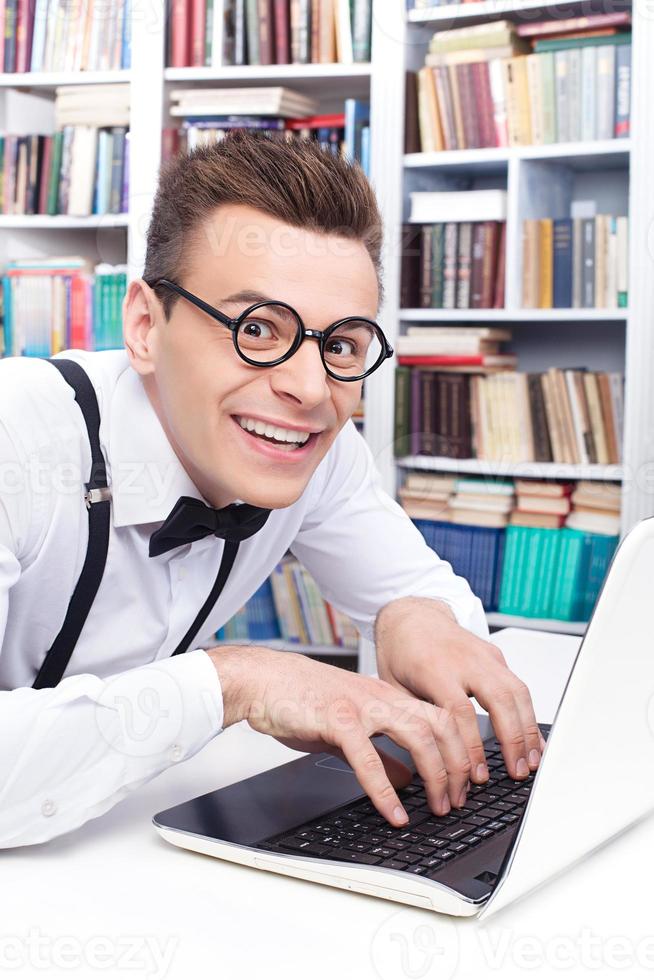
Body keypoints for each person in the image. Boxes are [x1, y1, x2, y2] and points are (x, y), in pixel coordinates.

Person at [0, 130, 544, 848]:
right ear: (143, 326)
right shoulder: (18, 438)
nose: (311, 389)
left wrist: (417, 613)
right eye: (257, 328)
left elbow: (420, 593)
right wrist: (237, 682)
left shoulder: (316, 448)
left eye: (343, 344)